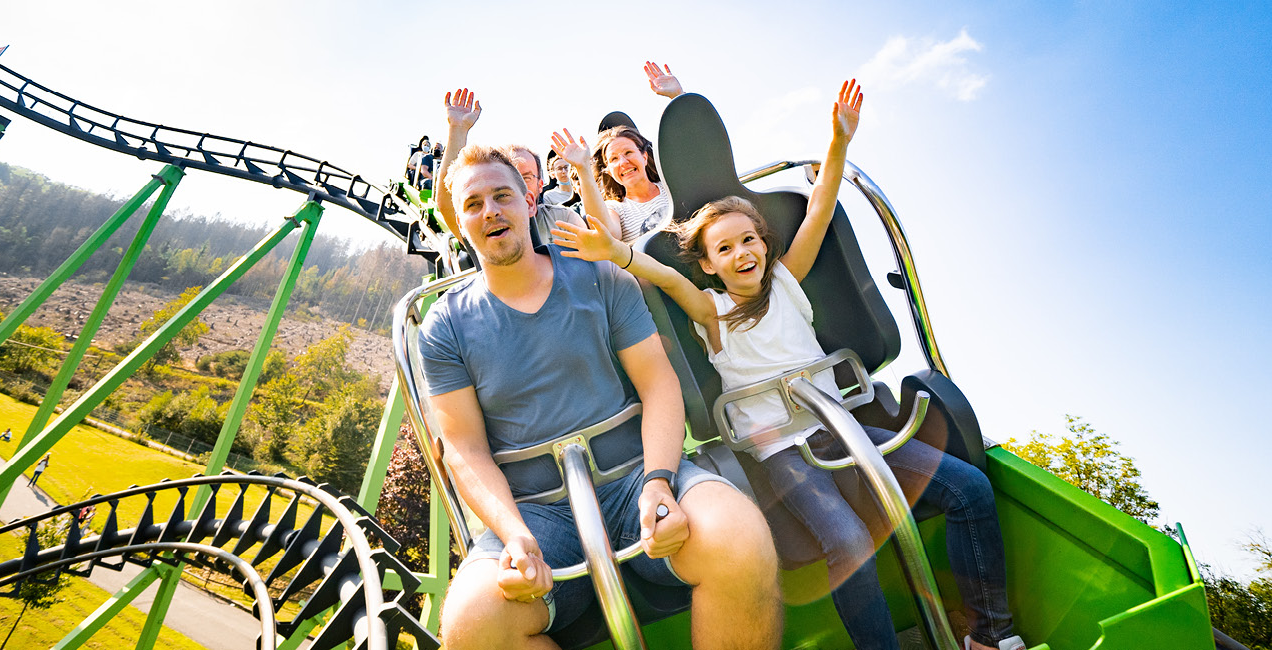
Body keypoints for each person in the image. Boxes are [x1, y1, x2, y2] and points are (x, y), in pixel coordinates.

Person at [553, 79, 1027, 650]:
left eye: (749, 240)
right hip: (786, 452)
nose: (742, 254)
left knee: (970, 489)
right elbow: (667, 278)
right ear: (709, 264)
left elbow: (820, 209)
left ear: (765, 243)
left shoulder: (785, 278)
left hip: (847, 427)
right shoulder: (712, 312)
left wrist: (838, 142)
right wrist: (618, 253)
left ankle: (989, 635)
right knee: (848, 544)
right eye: (724, 249)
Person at [422, 143, 780, 649]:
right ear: (459, 222)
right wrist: (514, 533)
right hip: (539, 515)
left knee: (737, 537)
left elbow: (657, 383)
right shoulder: (444, 326)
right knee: (472, 622)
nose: (491, 211)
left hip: (634, 475)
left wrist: (658, 481)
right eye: (474, 204)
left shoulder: (599, 275)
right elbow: (464, 448)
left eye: (503, 195)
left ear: (529, 202)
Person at [431, 89, 586, 250]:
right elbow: (448, 202)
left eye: (525, 177)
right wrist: (458, 129)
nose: (519, 185)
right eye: (510, 179)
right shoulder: (488, 223)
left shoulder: (562, 218)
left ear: (540, 185)